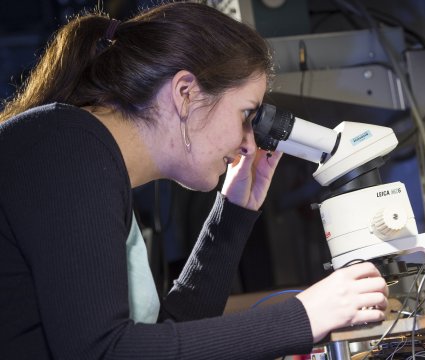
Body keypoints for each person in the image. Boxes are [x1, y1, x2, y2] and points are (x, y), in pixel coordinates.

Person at [0, 2, 389, 359]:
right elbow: (107, 353)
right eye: (245, 115)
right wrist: (304, 316)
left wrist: (232, 217)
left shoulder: (87, 156)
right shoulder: (67, 146)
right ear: (185, 93)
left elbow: (164, 338)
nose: (246, 143)